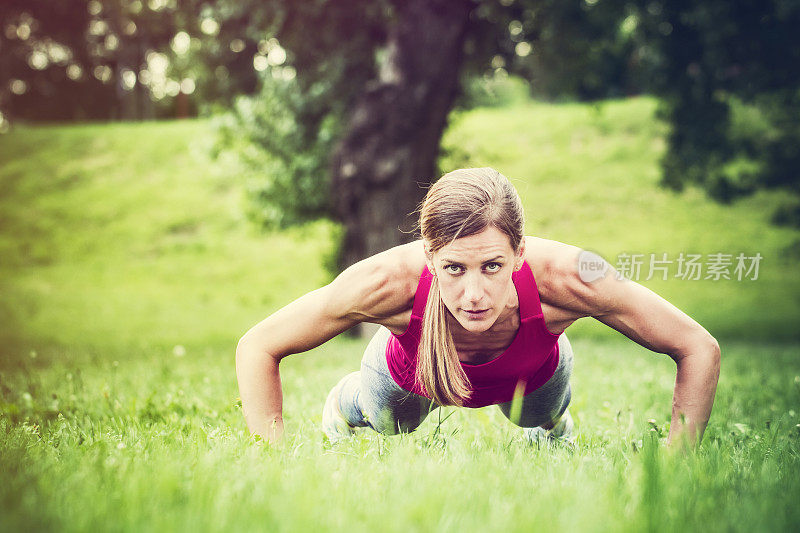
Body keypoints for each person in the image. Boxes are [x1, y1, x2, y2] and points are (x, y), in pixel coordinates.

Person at [235, 168, 721, 447]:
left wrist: (680, 465)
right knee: (391, 422)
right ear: (429, 255)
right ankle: (349, 399)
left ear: (520, 252)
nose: (473, 295)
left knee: (537, 415)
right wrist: (271, 465)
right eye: (453, 269)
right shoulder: (385, 282)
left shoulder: (573, 276)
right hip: (415, 372)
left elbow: (697, 346)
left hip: (532, 369)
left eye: (492, 266)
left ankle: (551, 428)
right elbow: (258, 346)